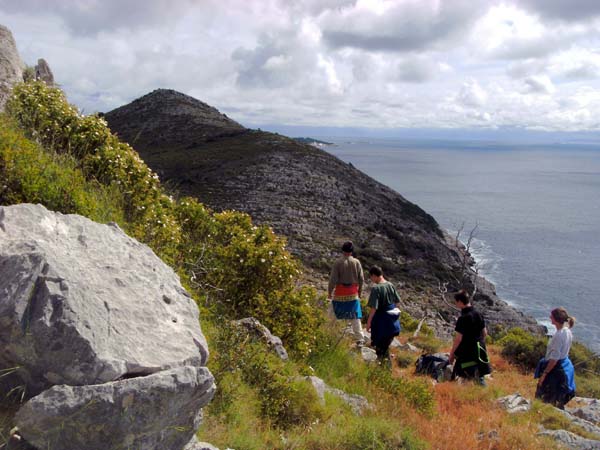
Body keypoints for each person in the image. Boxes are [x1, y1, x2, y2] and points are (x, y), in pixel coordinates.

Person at [534, 307, 576, 409]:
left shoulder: (559, 335)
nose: (549, 317)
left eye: (551, 316)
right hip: (565, 365)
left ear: (556, 319)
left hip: (556, 370)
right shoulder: (567, 331)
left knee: (545, 397)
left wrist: (544, 374)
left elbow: (554, 359)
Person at [448, 290, 491, 385]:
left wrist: (452, 355)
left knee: (464, 377)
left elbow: (458, 339)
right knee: (480, 376)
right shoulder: (478, 314)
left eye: (456, 302)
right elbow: (484, 333)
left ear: (459, 302)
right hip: (480, 350)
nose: (455, 304)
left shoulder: (463, 318)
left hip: (467, 352)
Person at [328, 241, 365, 346]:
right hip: (353, 293)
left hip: (340, 293)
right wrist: (360, 292)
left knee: (332, 314)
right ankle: (360, 339)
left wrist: (329, 293)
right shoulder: (357, 262)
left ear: (342, 250)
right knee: (355, 316)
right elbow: (361, 279)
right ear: (351, 251)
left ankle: (328, 332)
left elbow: (333, 280)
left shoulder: (338, 262)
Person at [366, 266, 401, 364]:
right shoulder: (390, 285)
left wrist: (369, 323)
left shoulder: (376, 289)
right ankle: (384, 370)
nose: (371, 279)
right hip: (392, 323)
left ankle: (384, 372)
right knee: (385, 347)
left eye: (371, 277)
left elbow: (374, 308)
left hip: (381, 323)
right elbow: (397, 303)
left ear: (374, 275)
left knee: (381, 349)